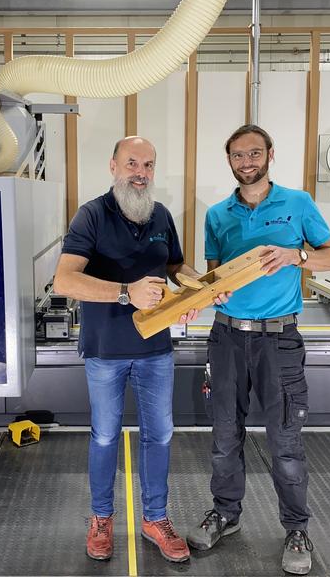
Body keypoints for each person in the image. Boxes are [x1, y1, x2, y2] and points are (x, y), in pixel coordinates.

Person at [54, 136, 225, 564]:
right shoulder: (92, 215)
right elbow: (65, 281)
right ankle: (101, 519)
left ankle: (155, 518)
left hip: (155, 349)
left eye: (148, 165)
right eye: (132, 163)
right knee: (105, 435)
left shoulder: (160, 215)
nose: (141, 173)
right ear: (113, 166)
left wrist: (199, 289)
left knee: (160, 434)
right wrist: (125, 292)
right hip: (105, 350)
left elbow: (175, 266)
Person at [186, 124, 330, 575]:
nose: (246, 162)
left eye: (254, 153)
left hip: (279, 340)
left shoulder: (298, 203)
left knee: (285, 441)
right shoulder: (218, 214)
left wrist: (298, 256)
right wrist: (202, 293)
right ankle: (226, 514)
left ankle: (296, 528)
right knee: (224, 436)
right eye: (238, 155)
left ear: (270, 155)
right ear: (229, 160)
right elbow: (213, 277)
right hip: (227, 338)